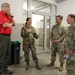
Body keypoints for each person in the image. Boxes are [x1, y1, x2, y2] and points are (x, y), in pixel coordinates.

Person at [0, 3, 16, 75]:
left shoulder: (8, 15)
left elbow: (15, 23)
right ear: (3, 7)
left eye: (9, 7)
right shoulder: (1, 14)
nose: (9, 9)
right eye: (7, 7)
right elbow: (5, 25)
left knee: (8, 54)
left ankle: (5, 69)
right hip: (2, 36)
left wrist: (11, 16)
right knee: (2, 54)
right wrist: (11, 24)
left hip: (8, 36)